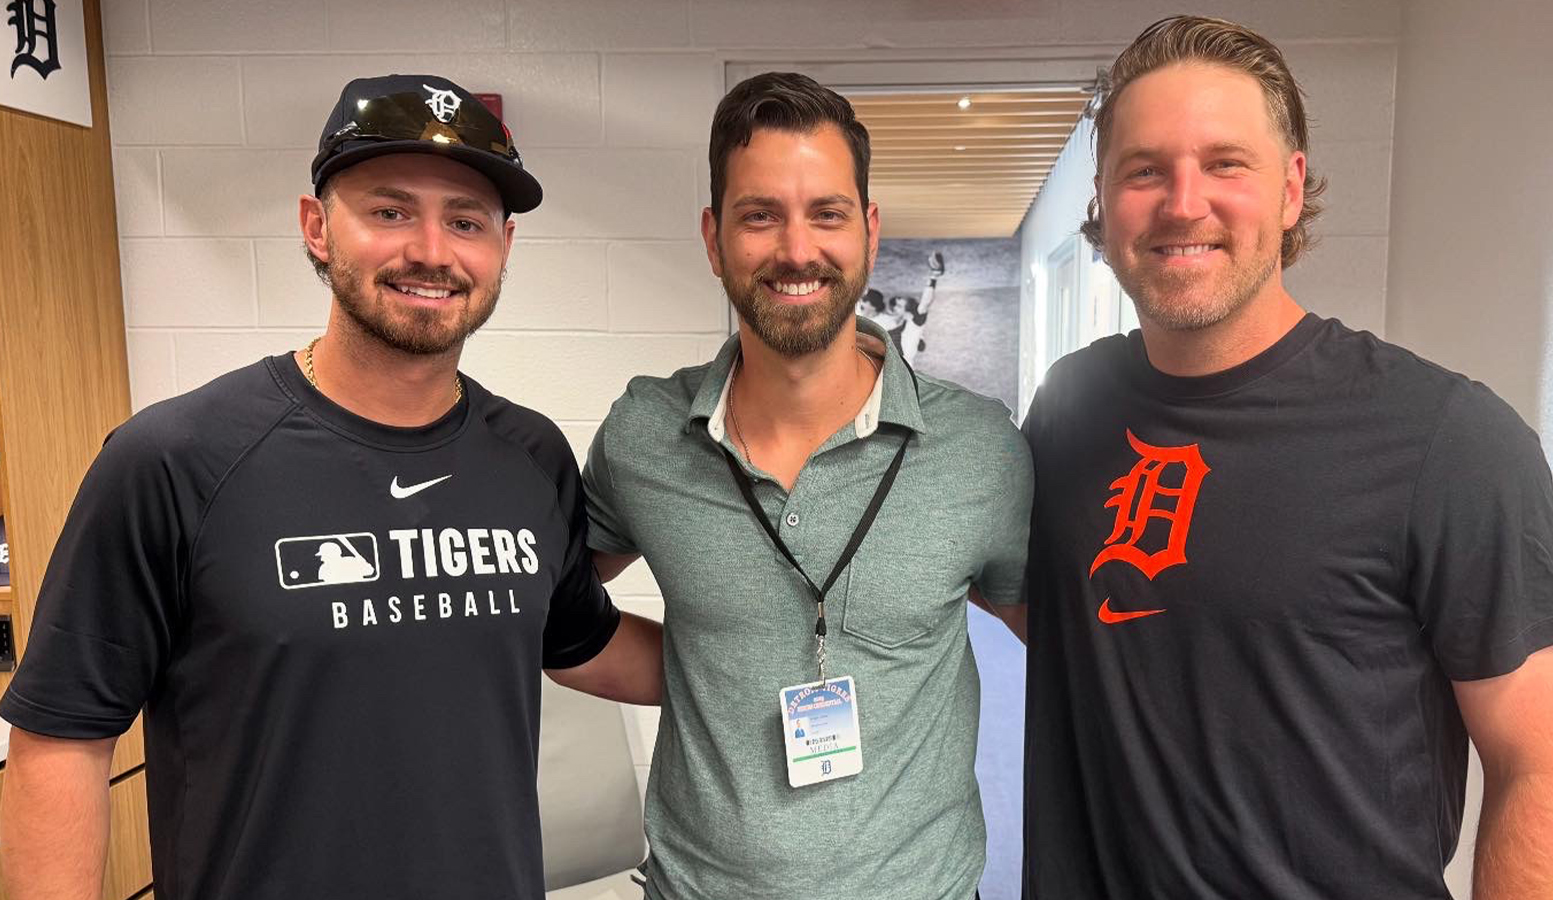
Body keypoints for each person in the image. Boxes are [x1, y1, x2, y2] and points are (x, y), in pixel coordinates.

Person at [0, 74, 662, 900]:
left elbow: (580, 642)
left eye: (465, 220)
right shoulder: (172, 459)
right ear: (317, 228)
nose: (431, 249)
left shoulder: (529, 455)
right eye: (389, 211)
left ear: (504, 245)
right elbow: (61, 738)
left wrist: (771, 657)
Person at [1019, 16, 1553, 900]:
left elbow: (1550, 766)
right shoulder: (1067, 408)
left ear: (1290, 189)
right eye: (1144, 170)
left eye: (1224, 163)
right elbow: (1057, 609)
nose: (1183, 202)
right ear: (1102, 198)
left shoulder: (1447, 439)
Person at [583, 72, 1031, 900]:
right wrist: (696, 668)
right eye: (761, 215)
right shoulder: (645, 435)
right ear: (715, 238)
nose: (797, 249)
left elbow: (1077, 644)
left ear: (867, 230)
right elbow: (550, 604)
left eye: (827, 213)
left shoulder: (979, 447)